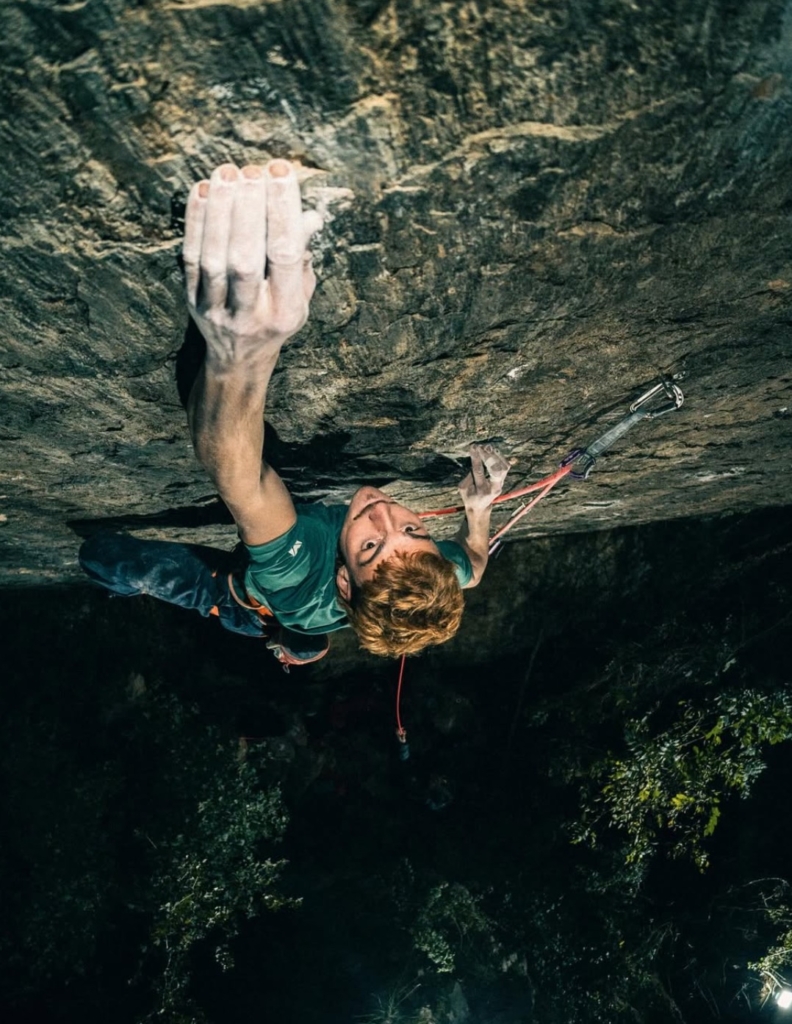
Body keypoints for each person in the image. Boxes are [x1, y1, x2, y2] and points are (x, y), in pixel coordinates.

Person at [79, 160, 510, 664]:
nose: (384, 514)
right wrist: (479, 509)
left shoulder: (296, 577)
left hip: (245, 596)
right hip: (318, 614)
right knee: (309, 631)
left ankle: (255, 628)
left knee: (102, 557)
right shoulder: (432, 570)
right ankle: (299, 643)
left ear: (345, 581)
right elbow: (474, 564)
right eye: (413, 530)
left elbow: (242, 480)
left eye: (370, 547)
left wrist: (240, 355)